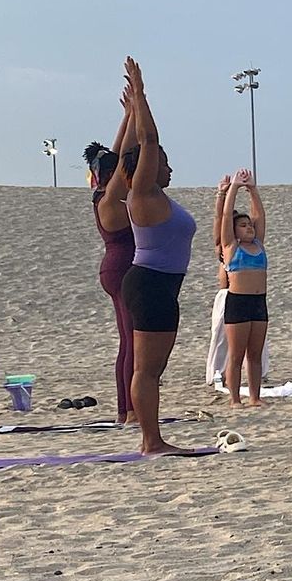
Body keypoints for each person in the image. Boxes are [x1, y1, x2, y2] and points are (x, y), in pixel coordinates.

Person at [117, 57, 194, 455]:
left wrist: (130, 113)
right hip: (150, 285)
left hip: (159, 286)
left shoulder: (155, 196)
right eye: (164, 163)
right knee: (147, 370)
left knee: (151, 369)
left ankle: (153, 437)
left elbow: (135, 146)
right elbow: (145, 144)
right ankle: (151, 441)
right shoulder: (142, 194)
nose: (169, 167)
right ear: (146, 170)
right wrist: (143, 97)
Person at [85, 87, 137, 423]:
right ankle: (130, 410)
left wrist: (128, 115)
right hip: (122, 267)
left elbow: (116, 155)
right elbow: (121, 164)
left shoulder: (99, 191)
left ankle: (124, 410)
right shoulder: (109, 197)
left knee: (126, 340)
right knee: (133, 340)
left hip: (114, 267)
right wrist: (137, 113)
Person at [207, 174, 270, 385]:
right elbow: (225, 217)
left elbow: (260, 216)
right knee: (235, 355)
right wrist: (231, 188)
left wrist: (253, 190)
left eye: (249, 224)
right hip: (238, 301)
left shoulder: (258, 245)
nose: (249, 227)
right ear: (234, 231)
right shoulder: (231, 247)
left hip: (258, 302)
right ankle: (235, 398)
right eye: (243, 225)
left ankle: (255, 396)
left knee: (255, 355)